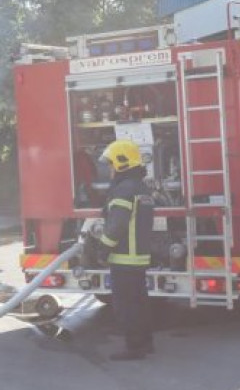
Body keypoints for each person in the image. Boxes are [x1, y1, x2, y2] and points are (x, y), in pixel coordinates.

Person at [97, 140, 156, 361]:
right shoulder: (142, 188)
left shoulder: (123, 190)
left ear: (122, 164)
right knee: (140, 303)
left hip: (124, 259)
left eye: (111, 164)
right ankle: (147, 343)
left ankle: (134, 348)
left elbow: (116, 226)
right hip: (139, 258)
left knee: (126, 306)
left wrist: (103, 248)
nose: (110, 169)